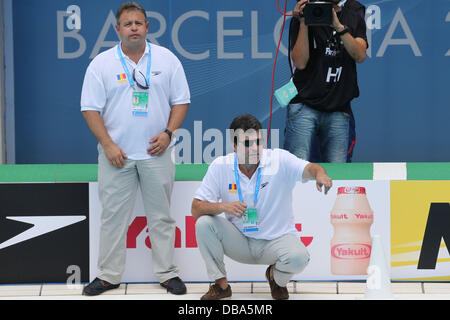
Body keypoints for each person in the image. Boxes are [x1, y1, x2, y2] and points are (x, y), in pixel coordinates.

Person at [80, 2, 190, 296]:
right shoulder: (101, 64)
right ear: (117, 29)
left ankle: (167, 274)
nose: (133, 28)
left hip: (157, 153)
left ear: (147, 28)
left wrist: (168, 134)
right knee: (113, 218)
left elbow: (181, 101)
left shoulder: (167, 60)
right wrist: (108, 145)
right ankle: (108, 276)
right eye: (127, 24)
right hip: (117, 156)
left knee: (162, 217)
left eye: (138, 23)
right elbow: (90, 109)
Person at [191, 114, 332, 300]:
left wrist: (320, 175)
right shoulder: (220, 166)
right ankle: (221, 286)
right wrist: (223, 206)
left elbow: (310, 168)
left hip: (275, 241)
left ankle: (275, 277)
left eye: (258, 142)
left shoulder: (279, 160)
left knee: (299, 258)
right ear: (234, 146)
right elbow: (196, 208)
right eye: (248, 143)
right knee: (203, 224)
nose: (255, 148)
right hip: (239, 240)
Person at [284, 0, 367, 163]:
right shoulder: (304, 17)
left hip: (338, 107)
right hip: (304, 106)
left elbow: (360, 55)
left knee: (337, 177)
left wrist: (339, 27)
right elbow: (300, 62)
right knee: (297, 171)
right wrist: (303, 23)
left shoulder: (353, 17)